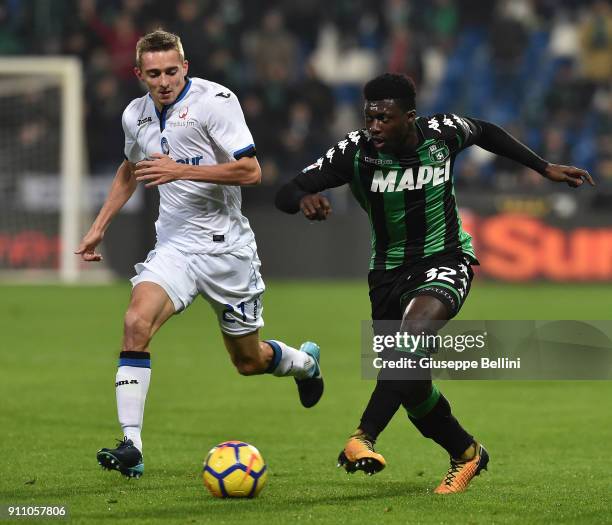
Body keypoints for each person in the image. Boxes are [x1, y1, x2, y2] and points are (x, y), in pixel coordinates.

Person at [275, 73, 593, 494]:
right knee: (411, 388)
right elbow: (286, 190)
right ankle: (467, 453)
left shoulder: (441, 133)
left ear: (409, 117)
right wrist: (302, 199)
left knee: (411, 340)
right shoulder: (354, 151)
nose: (374, 127)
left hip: (446, 259)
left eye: (384, 118)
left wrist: (543, 166)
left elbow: (486, 131)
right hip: (387, 274)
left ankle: (362, 437)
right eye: (369, 117)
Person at [76, 30, 323, 479]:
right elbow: (131, 170)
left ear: (184, 67)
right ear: (139, 75)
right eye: (154, 74)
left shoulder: (216, 101)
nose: (164, 81)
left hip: (227, 251)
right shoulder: (136, 115)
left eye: (172, 71)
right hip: (175, 248)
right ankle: (131, 444)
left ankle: (304, 363)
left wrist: (181, 169)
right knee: (135, 323)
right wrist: (98, 227)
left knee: (248, 362)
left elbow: (251, 170)